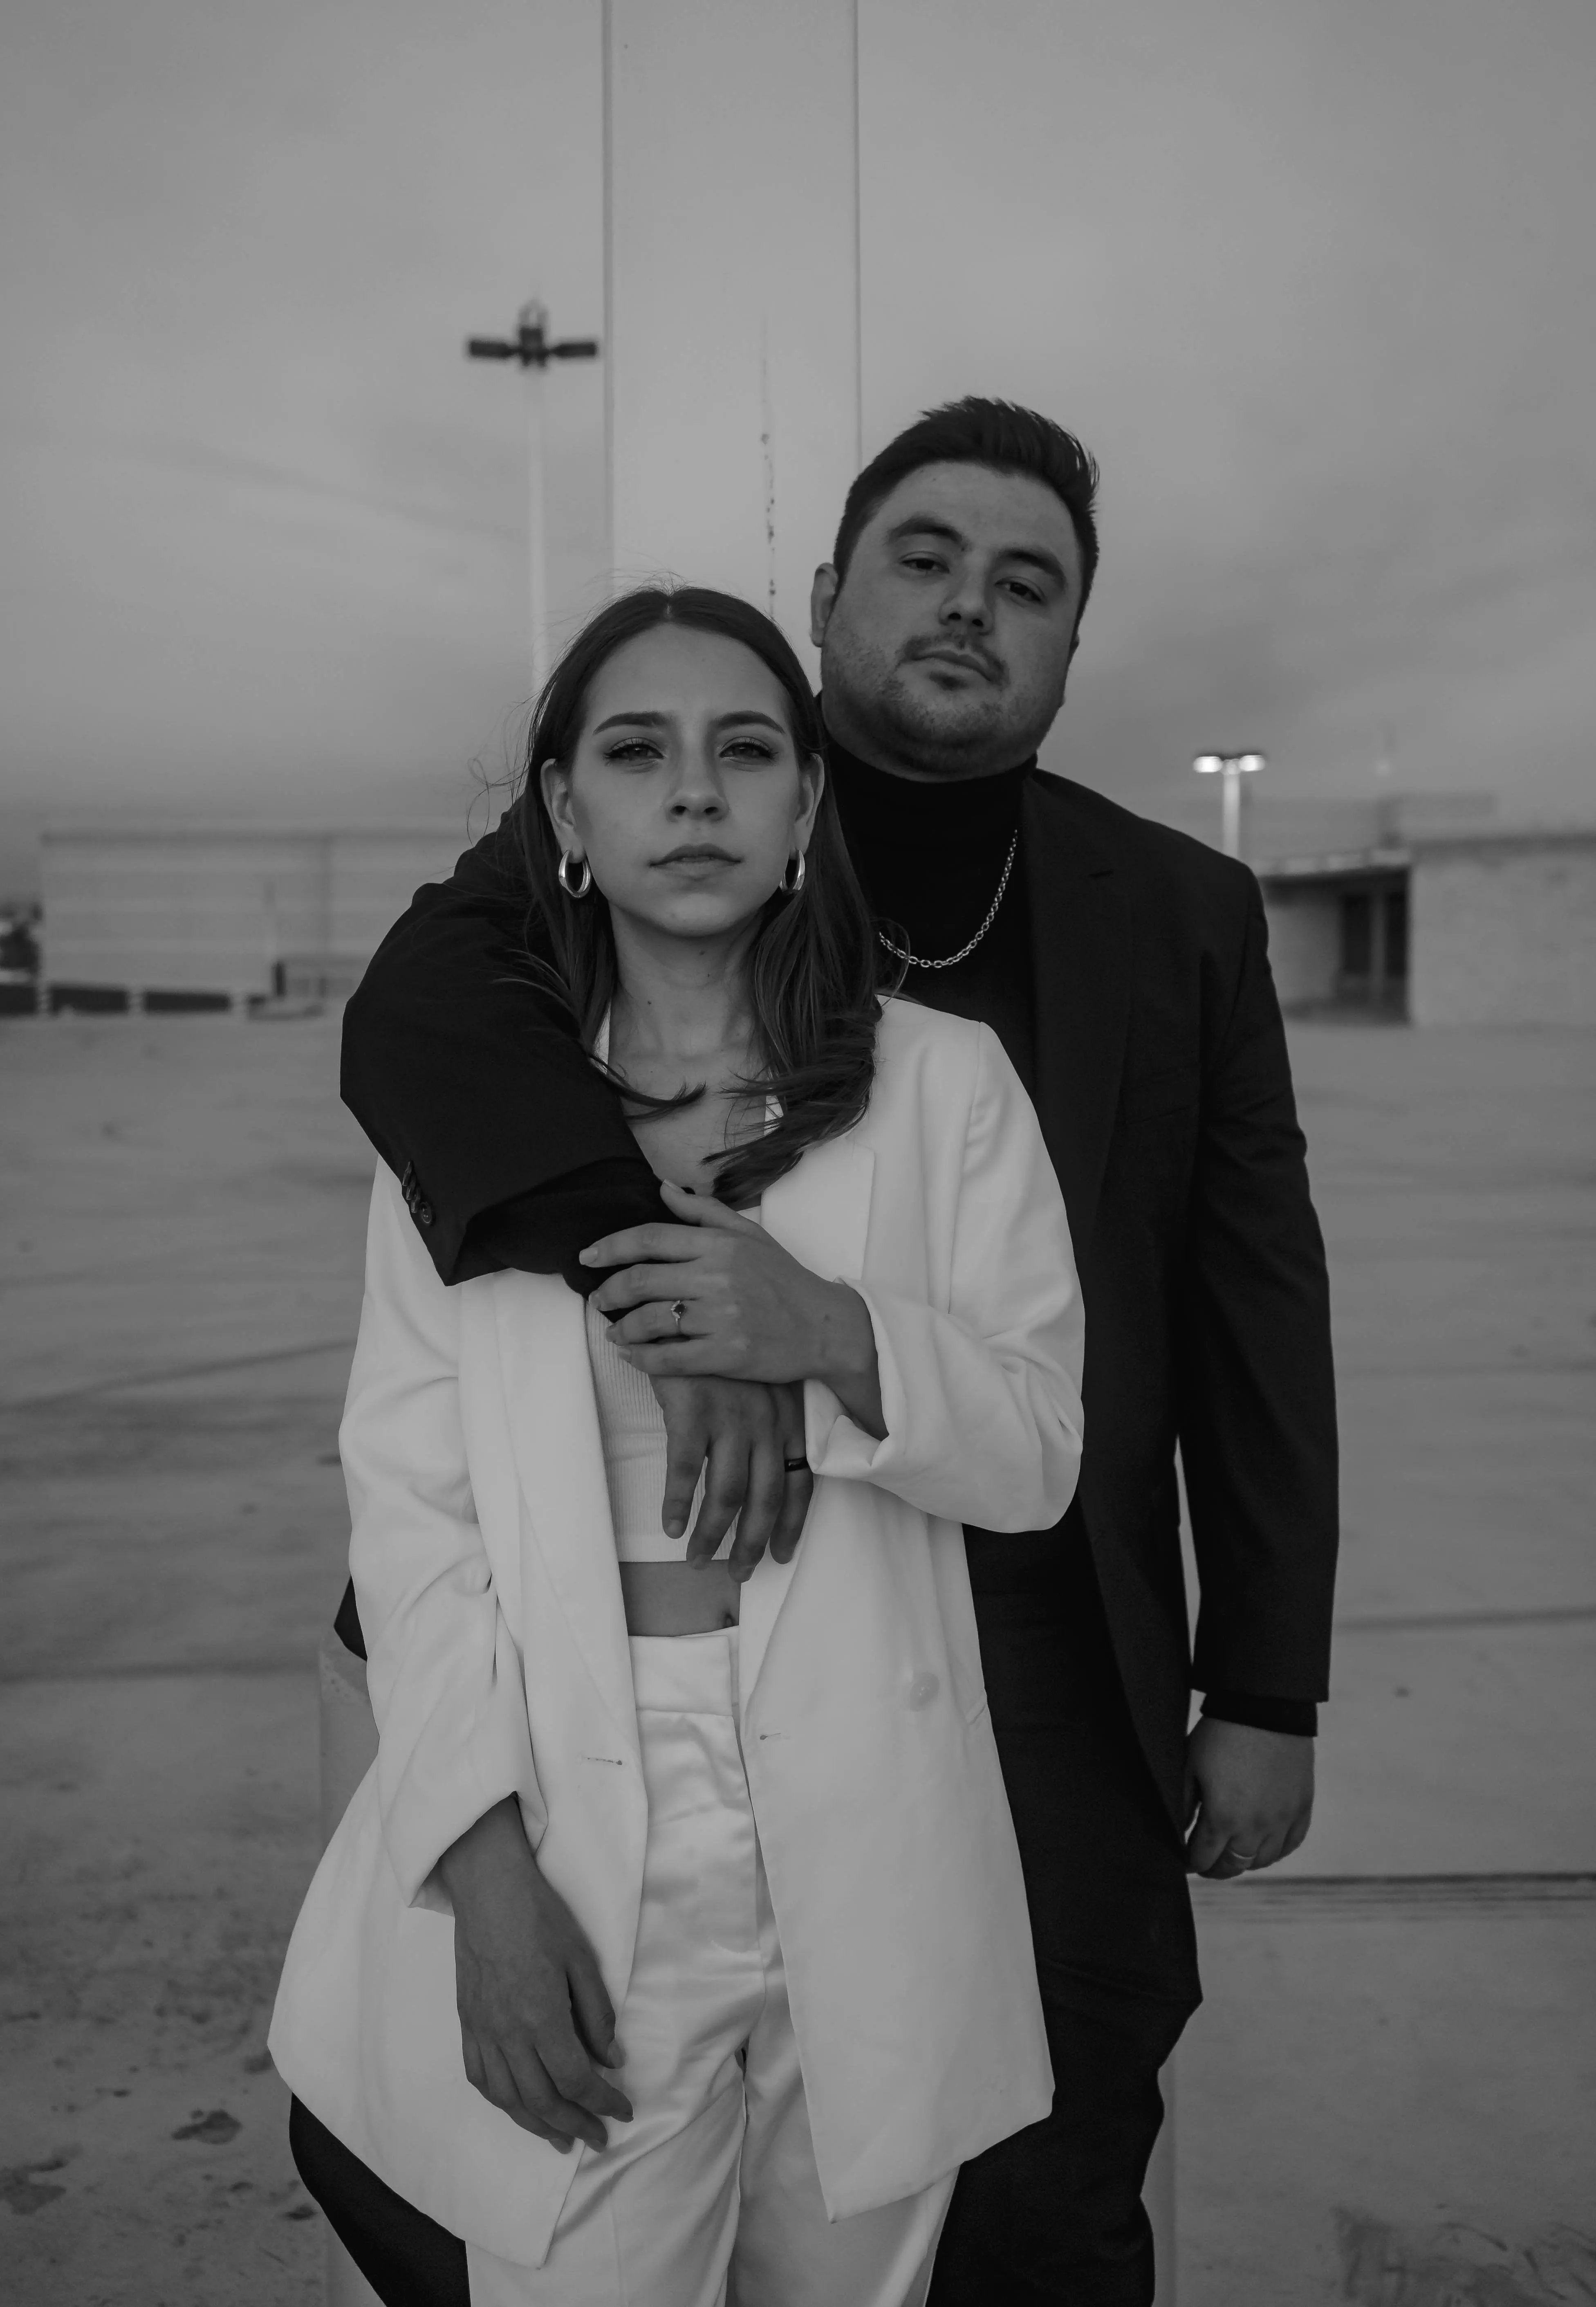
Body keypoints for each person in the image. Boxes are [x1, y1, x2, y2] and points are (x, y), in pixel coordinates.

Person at [335, 398, 1340, 2305]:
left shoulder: (1168, 914)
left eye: (1025, 584)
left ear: (1070, 644)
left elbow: (1252, 1297)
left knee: (1035, 2171)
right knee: (532, 2167)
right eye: (924, 559)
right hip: (643, 1671)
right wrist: (680, 1311)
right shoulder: (668, 802)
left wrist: (1267, 1676)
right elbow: (415, 1035)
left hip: (1048, 1631)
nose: (969, 606)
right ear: (827, 598)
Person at [272, 586, 1086, 2307]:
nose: (696, 793)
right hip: (577, 1818)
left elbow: (1034, 1454)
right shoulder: (473, 1125)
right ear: (564, 814)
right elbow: (413, 1522)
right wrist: (483, 1878)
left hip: (874, 1827)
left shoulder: (946, 1087)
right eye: (638, 752)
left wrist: (832, 1333)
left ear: (806, 804)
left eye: (746, 752)